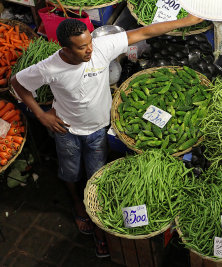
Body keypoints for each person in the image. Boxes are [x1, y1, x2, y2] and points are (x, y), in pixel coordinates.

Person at [11, 15, 203, 257]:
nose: (90, 49)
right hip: (67, 129)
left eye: (90, 42)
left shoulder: (100, 48)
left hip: (99, 128)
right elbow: (18, 83)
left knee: (96, 174)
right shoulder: (50, 67)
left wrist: (186, 21)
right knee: (70, 172)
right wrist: (41, 114)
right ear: (65, 49)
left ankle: (97, 222)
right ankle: (78, 206)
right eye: (82, 47)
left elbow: (144, 33)